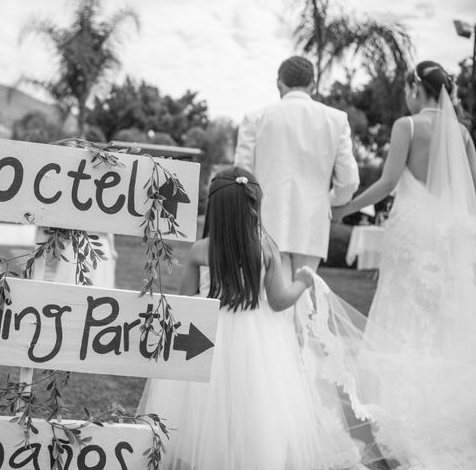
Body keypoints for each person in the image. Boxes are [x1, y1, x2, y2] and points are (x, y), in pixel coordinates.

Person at [138, 167, 366, 470]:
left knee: (207, 407)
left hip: (207, 343)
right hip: (258, 343)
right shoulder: (266, 249)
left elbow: (183, 303)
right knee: (257, 404)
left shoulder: (200, 251)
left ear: (216, 210)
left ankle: (211, 457)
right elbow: (279, 301)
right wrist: (302, 281)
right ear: (254, 205)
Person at [333, 61, 476, 469]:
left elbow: (387, 183)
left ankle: (396, 411)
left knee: (400, 309)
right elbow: (472, 192)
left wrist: (345, 210)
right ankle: (442, 412)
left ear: (417, 87)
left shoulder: (407, 126)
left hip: (412, 233)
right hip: (449, 235)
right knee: (441, 316)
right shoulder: (462, 134)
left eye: (407, 87)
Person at [234, 55, 359, 279]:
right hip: (311, 227)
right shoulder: (336, 120)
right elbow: (348, 180)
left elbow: (242, 175)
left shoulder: (255, 118)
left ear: (279, 82)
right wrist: (328, 202)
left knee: (263, 304)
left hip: (263, 224)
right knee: (303, 303)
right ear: (313, 85)